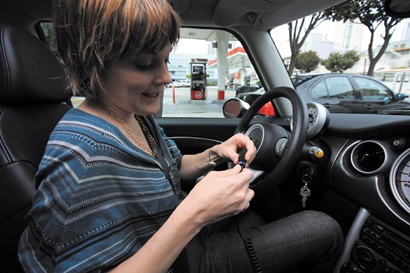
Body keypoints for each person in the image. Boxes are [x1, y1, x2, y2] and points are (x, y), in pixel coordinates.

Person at [18, 0, 343, 272]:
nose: (166, 77)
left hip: (177, 236)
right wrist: (194, 214)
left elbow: (172, 167)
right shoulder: (79, 154)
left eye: (165, 59)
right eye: (146, 64)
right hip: (184, 260)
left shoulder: (132, 114)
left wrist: (216, 153)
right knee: (325, 228)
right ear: (94, 64)